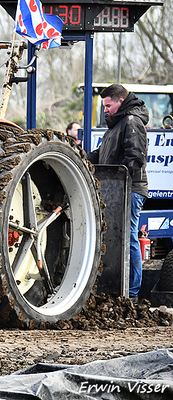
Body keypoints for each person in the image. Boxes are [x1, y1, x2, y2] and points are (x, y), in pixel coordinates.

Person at [86, 84, 149, 300]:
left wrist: (117, 180)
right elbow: (101, 154)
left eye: (107, 105)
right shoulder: (116, 125)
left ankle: (131, 292)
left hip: (130, 189)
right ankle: (116, 287)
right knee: (114, 236)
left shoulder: (131, 122)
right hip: (116, 189)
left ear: (120, 101)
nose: (105, 110)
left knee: (128, 236)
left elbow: (136, 159)